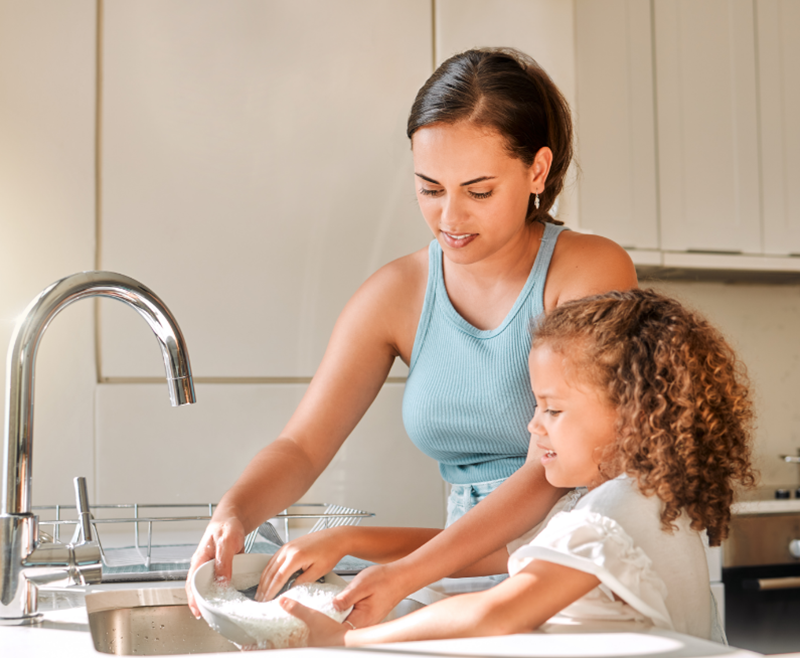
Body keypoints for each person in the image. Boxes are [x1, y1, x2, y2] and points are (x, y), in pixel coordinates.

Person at [187, 47, 638, 623]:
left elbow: (545, 476)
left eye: (478, 191)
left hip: (579, 571)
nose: (450, 217)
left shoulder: (590, 271)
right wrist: (236, 511)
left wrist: (401, 569)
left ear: (537, 171)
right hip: (460, 568)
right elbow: (301, 447)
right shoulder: (395, 294)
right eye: (430, 188)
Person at [278, 288, 757, 645]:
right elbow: (477, 552)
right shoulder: (630, 500)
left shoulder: (614, 511)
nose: (533, 426)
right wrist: (348, 541)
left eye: (552, 408)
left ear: (631, 416)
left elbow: (496, 613)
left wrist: (344, 640)